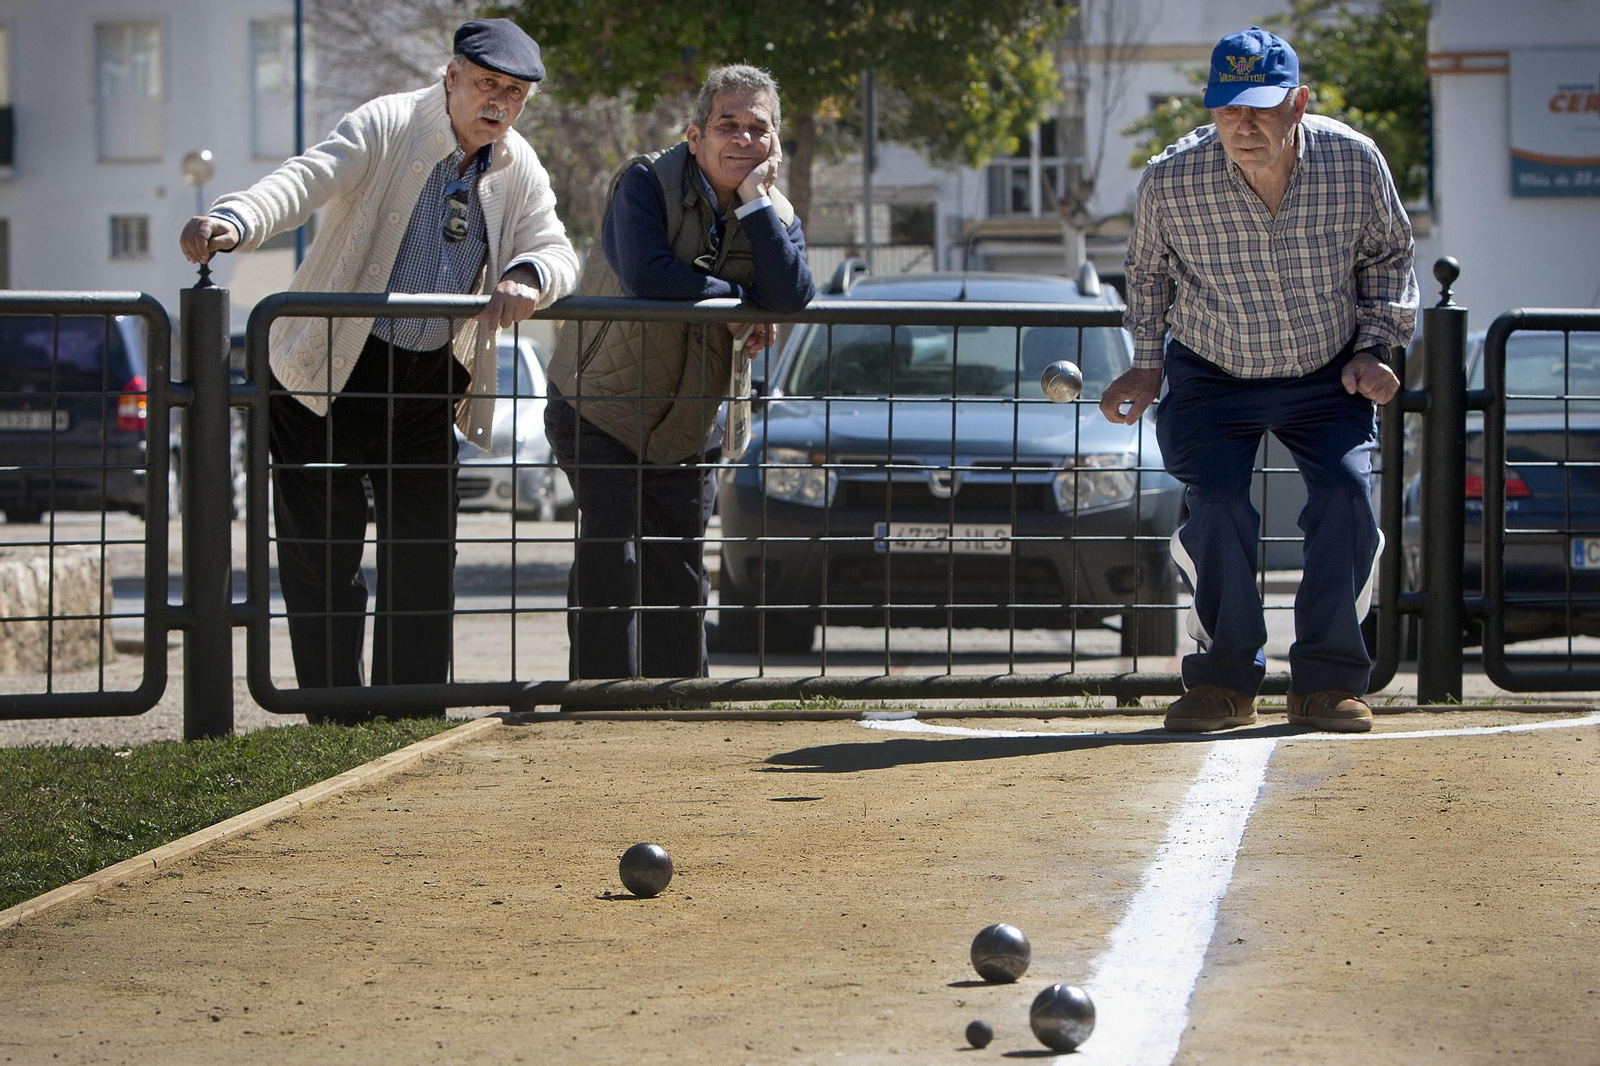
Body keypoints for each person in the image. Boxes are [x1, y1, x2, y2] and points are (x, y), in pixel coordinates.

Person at [179, 19, 579, 718]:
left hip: (427, 382)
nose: (500, 104)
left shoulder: (518, 164)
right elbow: (306, 178)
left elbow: (557, 247)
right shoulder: (388, 122)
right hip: (325, 373)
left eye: (515, 94)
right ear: (451, 76)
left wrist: (528, 271)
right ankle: (336, 716)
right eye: (488, 84)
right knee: (323, 561)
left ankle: (412, 714)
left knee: (424, 560)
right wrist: (235, 218)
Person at [1099, 27, 1418, 734]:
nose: (1243, 124)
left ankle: (1326, 684)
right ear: (1210, 108)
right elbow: (1148, 274)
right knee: (1214, 503)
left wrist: (1377, 346)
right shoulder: (1170, 179)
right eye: (1227, 107)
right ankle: (1222, 683)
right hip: (1213, 370)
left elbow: (1391, 253)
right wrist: (1148, 363)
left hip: (1325, 370)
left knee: (1345, 497)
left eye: (1262, 107)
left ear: (1298, 103)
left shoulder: (1355, 162)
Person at [544, 64, 815, 685]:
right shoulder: (643, 181)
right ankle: (598, 704)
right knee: (612, 552)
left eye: (758, 128)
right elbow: (648, 275)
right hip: (597, 405)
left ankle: (677, 708)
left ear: (774, 142)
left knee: (680, 570)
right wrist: (741, 303)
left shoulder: (771, 209)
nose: (743, 139)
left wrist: (753, 206)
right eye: (728, 125)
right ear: (695, 135)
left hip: (691, 423)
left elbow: (794, 295)